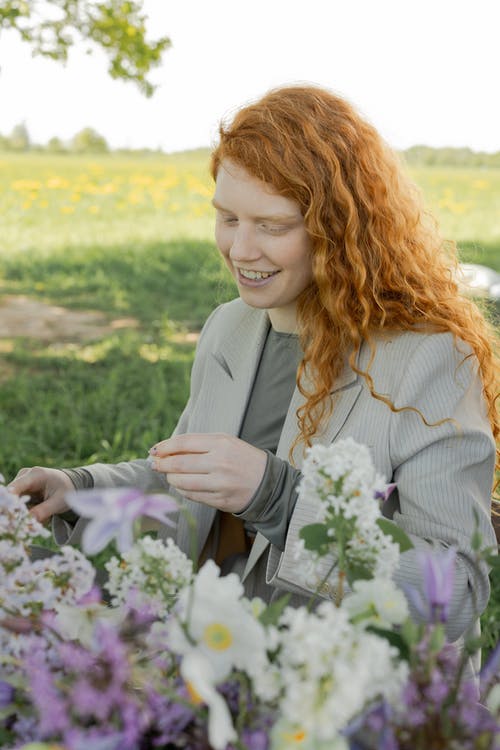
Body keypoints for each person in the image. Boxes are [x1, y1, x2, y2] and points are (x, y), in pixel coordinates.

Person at [9, 85, 498, 662]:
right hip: (214, 667)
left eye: (272, 225)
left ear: (340, 229)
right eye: (227, 217)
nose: (240, 249)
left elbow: (457, 594)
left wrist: (281, 500)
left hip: (351, 702)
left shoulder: (428, 358)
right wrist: (80, 491)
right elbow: (189, 483)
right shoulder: (231, 328)